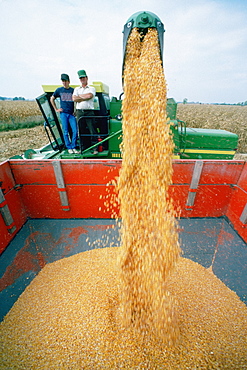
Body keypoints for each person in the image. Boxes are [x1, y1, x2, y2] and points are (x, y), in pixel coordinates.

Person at [50, 73, 79, 154]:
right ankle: (69, 147)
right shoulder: (59, 90)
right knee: (65, 132)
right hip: (63, 114)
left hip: (71, 114)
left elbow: (76, 100)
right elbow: (52, 98)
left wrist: (75, 110)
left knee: (75, 131)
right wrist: (56, 109)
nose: (64, 83)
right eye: (63, 81)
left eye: (65, 81)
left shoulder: (73, 90)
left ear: (69, 81)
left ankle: (74, 146)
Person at [72, 70, 98, 154]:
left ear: (87, 78)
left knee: (92, 130)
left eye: (83, 77)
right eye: (81, 78)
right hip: (79, 112)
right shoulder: (77, 89)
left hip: (89, 112)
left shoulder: (92, 88)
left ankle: (95, 148)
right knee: (81, 130)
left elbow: (90, 96)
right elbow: (74, 99)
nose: (82, 79)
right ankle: (82, 148)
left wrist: (79, 97)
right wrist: (84, 97)